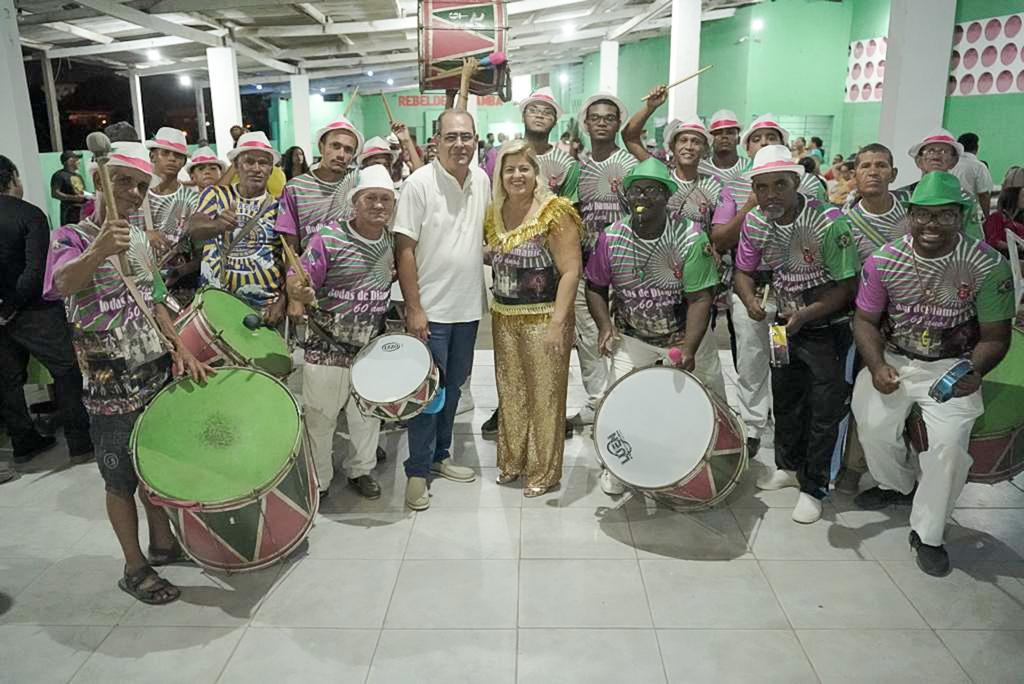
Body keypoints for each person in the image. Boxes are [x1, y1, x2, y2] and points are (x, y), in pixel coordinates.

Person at [43, 142, 211, 605]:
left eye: (140, 185)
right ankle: (134, 567)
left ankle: (162, 545)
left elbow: (155, 298)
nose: (134, 192)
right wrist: (98, 250)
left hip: (153, 373)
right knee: (120, 480)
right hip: (107, 385)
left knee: (156, 466)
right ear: (98, 181)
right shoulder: (71, 237)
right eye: (123, 181)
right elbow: (60, 286)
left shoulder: (137, 238)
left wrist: (181, 347)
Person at [851, 171, 1014, 576]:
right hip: (895, 358)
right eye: (923, 215)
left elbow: (996, 335)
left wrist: (973, 369)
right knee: (872, 425)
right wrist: (877, 365)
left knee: (949, 451)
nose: (931, 225)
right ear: (910, 215)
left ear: (961, 217)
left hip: (953, 365)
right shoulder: (884, 260)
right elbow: (864, 321)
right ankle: (897, 486)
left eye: (944, 216)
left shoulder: (987, 264)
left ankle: (928, 533)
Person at [733, 145, 859, 524]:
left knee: (824, 408)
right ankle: (787, 468)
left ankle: (815, 486)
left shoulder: (829, 221)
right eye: (762, 187)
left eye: (779, 185)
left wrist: (805, 316)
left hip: (825, 327)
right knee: (785, 396)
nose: (771, 195)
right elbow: (742, 271)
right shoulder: (754, 222)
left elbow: (846, 287)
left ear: (796, 183)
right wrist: (750, 299)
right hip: (782, 327)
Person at [586, 159, 724, 495]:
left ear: (666, 197)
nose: (642, 196)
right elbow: (595, 286)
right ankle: (619, 465)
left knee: (709, 398)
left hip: (683, 335)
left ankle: (708, 462)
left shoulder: (690, 237)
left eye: (651, 189)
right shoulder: (611, 237)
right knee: (620, 401)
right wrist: (605, 326)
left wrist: (689, 346)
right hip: (633, 336)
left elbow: (701, 298)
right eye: (635, 189)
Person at [393, 109, 488, 510]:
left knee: (453, 390)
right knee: (426, 394)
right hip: (430, 312)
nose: (460, 144)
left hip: (468, 309)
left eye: (466, 137)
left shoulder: (482, 180)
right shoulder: (418, 184)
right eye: (451, 137)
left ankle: (440, 457)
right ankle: (416, 471)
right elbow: (404, 249)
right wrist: (414, 308)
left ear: (476, 140)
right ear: (436, 142)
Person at [286, 165, 398, 500]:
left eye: (385, 199)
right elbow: (298, 278)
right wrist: (299, 292)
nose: (378, 205)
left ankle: (360, 471)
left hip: (369, 347)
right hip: (326, 345)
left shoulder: (392, 240)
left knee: (367, 417)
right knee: (321, 420)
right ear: (355, 201)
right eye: (371, 198)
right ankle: (319, 480)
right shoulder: (329, 237)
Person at [481, 88, 582, 438]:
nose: (539, 115)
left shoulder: (567, 163)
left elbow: (567, 215)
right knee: (510, 370)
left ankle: (553, 417)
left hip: (546, 274)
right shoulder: (498, 156)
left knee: (548, 364)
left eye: (547, 111)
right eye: (534, 109)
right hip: (508, 292)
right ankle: (508, 418)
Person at [486, 140, 582, 496]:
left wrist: (559, 323)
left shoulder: (555, 211)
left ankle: (545, 471)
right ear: (500, 174)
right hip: (503, 315)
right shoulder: (495, 211)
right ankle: (512, 461)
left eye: (523, 168)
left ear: (536, 172)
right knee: (510, 393)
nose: (516, 175)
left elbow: (571, 270)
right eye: (509, 169)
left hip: (544, 317)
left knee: (545, 395)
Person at [0, 155, 91, 465]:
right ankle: (80, 442)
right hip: (34, 310)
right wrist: (11, 306)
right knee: (65, 369)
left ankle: (24, 442)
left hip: (2, 315)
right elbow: (37, 269)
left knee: (8, 379)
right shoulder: (29, 214)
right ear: (12, 178)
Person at [828, 143, 908, 495]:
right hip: (861, 322)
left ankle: (901, 472)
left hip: (911, 324)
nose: (873, 172)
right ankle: (852, 465)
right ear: (853, 174)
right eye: (865, 166)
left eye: (881, 165)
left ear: (893, 173)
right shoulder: (842, 222)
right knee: (861, 395)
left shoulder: (914, 218)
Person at [574, 92, 638, 426]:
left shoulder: (630, 165)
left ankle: (621, 398)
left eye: (609, 118)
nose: (601, 122)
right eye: (595, 117)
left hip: (626, 266)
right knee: (588, 335)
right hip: (585, 266)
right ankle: (597, 401)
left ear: (618, 124)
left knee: (625, 336)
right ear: (585, 123)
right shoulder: (576, 166)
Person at [192, 131, 287, 322]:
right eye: (249, 161)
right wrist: (216, 224)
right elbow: (193, 229)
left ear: (271, 169)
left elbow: (291, 256)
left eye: (264, 163)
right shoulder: (215, 195)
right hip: (217, 303)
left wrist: (284, 300)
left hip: (265, 309)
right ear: (235, 166)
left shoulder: (280, 206)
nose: (256, 168)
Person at [276, 117, 364, 253]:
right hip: (312, 271)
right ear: (321, 147)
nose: (341, 155)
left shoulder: (359, 183)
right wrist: (293, 272)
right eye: (335, 146)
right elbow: (290, 245)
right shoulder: (295, 188)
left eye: (348, 150)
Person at [898, 128, 983, 240]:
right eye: (930, 151)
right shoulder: (903, 195)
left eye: (944, 151)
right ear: (919, 161)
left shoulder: (965, 198)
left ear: (954, 161)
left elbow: (974, 239)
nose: (936, 156)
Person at [951, 132, 994, 216]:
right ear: (976, 148)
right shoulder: (978, 166)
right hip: (968, 213)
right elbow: (984, 194)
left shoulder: (950, 164)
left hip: (947, 212)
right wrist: (987, 216)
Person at [983, 166, 1024, 255]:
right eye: (1023, 196)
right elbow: (993, 242)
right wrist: (1016, 247)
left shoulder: (1019, 219)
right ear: (1014, 196)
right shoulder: (997, 217)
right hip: (1005, 261)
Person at [51, 150, 87, 226]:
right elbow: (55, 193)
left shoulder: (78, 176)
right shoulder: (59, 175)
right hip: (69, 213)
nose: (78, 162)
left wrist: (90, 196)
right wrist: (74, 198)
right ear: (70, 161)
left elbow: (82, 192)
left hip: (81, 212)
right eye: (76, 160)